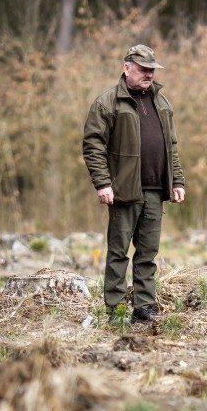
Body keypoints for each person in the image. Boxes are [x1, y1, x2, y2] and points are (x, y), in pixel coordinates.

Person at [83, 44, 186, 325]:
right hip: (123, 191)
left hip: (156, 189)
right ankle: (115, 310)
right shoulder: (107, 102)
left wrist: (177, 180)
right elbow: (93, 145)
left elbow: (172, 147)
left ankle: (144, 307)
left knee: (148, 253)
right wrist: (103, 183)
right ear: (126, 68)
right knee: (118, 252)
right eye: (143, 69)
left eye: (152, 69)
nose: (149, 74)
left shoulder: (161, 102)